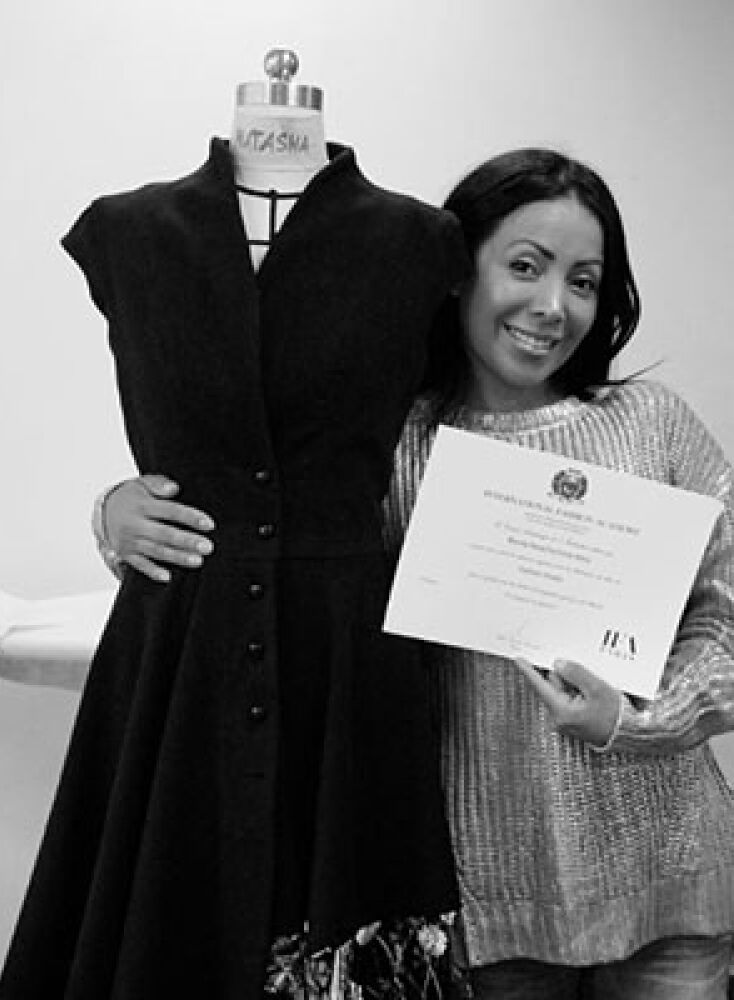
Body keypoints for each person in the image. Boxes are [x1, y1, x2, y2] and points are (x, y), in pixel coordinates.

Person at [99, 148, 734, 999]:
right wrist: (114, 512)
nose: (553, 306)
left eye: (584, 281)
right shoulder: (387, 445)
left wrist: (640, 718)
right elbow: (265, 553)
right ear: (455, 272)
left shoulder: (650, 423)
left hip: (674, 888)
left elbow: (727, 612)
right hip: (487, 905)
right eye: (525, 266)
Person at [0, 56, 467, 1000]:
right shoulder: (128, 231)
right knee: (156, 915)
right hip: (179, 637)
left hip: (347, 652)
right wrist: (110, 506)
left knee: (346, 915)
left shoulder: (418, 241)